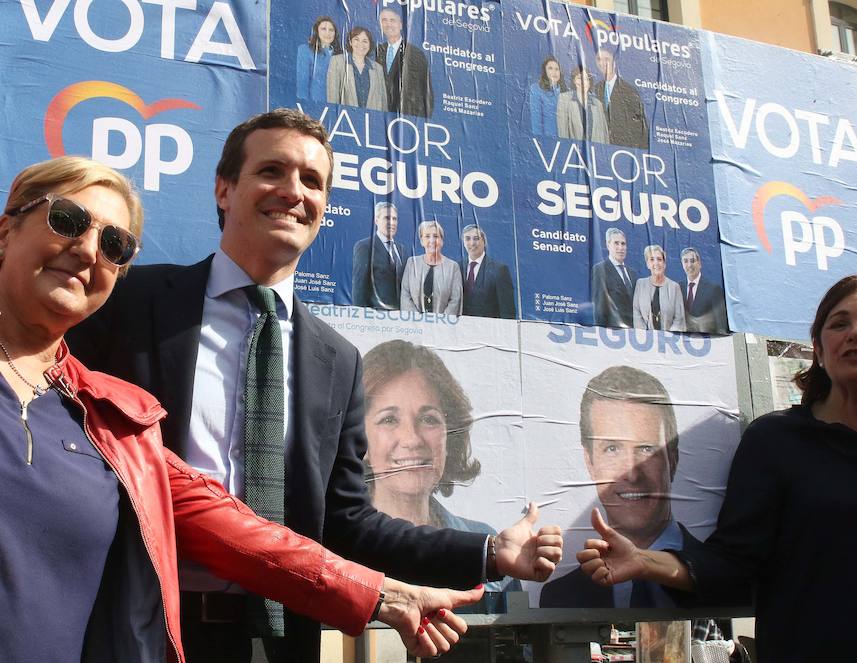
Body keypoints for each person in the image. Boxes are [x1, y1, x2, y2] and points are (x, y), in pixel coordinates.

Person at [67, 109, 563, 662]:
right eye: (272, 171)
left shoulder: (339, 361)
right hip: (139, 630)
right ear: (224, 188)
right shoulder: (131, 302)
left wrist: (492, 550)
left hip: (282, 643)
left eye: (312, 180)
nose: (292, 191)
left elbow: (348, 524)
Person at [0, 156, 487, 662]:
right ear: (6, 231)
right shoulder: (146, 319)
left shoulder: (117, 421)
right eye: (67, 220)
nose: (86, 250)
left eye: (114, 245)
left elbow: (243, 537)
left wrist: (391, 595)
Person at [578, 274, 857, 662]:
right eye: (839, 323)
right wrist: (643, 561)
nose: (855, 334)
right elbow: (733, 564)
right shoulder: (777, 441)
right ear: (818, 348)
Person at [362, 340, 521, 593]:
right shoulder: (333, 550)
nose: (412, 439)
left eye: (428, 419)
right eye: (389, 419)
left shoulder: (488, 546)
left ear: (450, 435)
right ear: (360, 438)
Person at [540, 366, 693, 608]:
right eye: (612, 449)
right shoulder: (559, 597)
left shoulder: (718, 573)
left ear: (672, 459)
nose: (631, 473)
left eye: (646, 448)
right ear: (589, 462)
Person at [375, 7, 433, 117]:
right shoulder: (376, 51)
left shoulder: (415, 54)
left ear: (401, 24)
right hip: (379, 117)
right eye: (384, 20)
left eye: (392, 20)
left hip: (407, 118)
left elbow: (426, 93)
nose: (388, 24)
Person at [352, 201, 410, 309]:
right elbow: (359, 287)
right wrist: (360, 317)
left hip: (402, 318)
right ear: (376, 220)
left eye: (394, 219)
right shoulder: (365, 247)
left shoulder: (402, 250)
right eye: (387, 218)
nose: (391, 223)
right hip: (377, 317)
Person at [400, 220, 463, 315]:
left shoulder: (453, 267)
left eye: (436, 236)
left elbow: (456, 299)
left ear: (442, 241)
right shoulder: (411, 263)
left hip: (444, 326)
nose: (432, 240)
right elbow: (405, 295)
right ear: (421, 241)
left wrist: (441, 323)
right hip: (415, 326)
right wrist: (417, 322)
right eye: (427, 236)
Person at [594, 48, 648, 149]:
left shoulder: (629, 91)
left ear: (614, 63)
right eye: (599, 60)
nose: (602, 63)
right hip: (600, 146)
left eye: (606, 59)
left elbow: (639, 127)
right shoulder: (595, 89)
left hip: (623, 148)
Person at [458, 224, 515, 319]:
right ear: (463, 242)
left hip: (488, 330)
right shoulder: (457, 267)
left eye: (476, 238)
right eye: (467, 239)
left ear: (484, 241)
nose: (472, 243)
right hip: (460, 329)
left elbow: (507, 310)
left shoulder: (499, 270)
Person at [325, 26, 388, 111]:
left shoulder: (378, 68)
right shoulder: (337, 62)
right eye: (356, 39)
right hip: (346, 119)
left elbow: (383, 102)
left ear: (370, 45)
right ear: (350, 42)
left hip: (372, 120)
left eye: (365, 41)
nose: (360, 44)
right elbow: (332, 97)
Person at [632, 245, 686, 332]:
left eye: (659, 259)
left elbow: (679, 319)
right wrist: (645, 337)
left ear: (664, 264)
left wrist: (668, 338)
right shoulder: (640, 284)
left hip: (670, 341)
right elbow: (636, 312)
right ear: (647, 264)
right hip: (644, 341)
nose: (656, 263)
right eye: (652, 259)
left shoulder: (674, 287)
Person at [592, 228, 636, 328]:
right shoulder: (600, 270)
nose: (620, 248)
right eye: (616, 243)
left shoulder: (632, 273)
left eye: (623, 244)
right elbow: (600, 305)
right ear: (608, 245)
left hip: (635, 332)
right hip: (613, 331)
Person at [679, 247, 727, 334]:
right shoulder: (678, 288)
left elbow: (722, 326)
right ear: (682, 264)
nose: (689, 265)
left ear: (700, 263)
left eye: (692, 261)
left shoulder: (714, 289)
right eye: (685, 261)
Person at [557, 65, 609, 143]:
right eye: (579, 78)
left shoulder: (598, 104)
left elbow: (604, 134)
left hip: (595, 151)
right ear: (574, 80)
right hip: (574, 150)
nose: (583, 82)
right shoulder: (564, 99)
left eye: (586, 79)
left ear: (589, 82)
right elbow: (562, 131)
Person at [296, 16, 341, 101]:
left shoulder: (340, 54)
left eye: (331, 30)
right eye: (323, 29)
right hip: (315, 103)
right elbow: (302, 83)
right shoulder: (305, 50)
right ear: (317, 31)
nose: (327, 33)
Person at [529, 55, 566, 136]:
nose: (554, 72)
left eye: (557, 69)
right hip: (547, 139)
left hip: (565, 139)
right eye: (550, 68)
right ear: (545, 71)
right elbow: (536, 121)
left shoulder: (564, 91)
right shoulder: (536, 89)